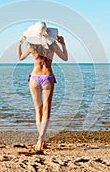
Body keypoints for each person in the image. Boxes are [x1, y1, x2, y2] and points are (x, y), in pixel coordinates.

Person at [18, 21, 68, 150]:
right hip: (47, 77)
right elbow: (65, 58)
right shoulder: (53, 45)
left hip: (34, 78)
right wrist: (63, 45)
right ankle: (41, 139)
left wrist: (20, 44)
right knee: (46, 109)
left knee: (38, 110)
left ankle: (40, 139)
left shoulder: (31, 46)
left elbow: (20, 58)